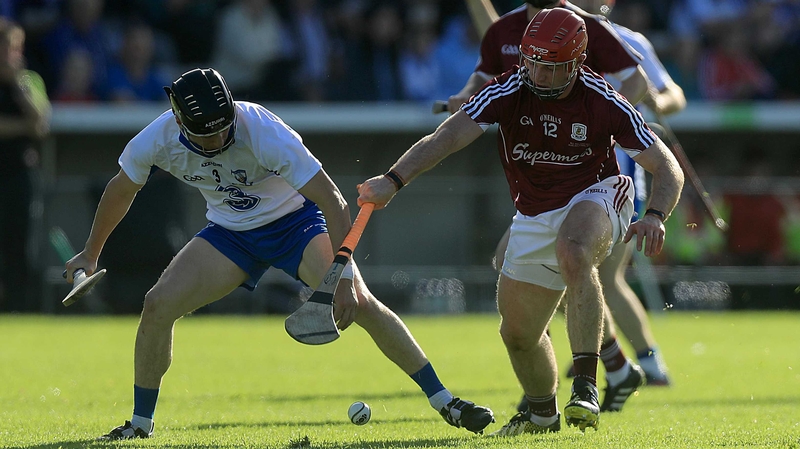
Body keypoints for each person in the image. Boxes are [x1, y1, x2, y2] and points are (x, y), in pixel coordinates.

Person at [63, 68, 494, 440]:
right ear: (179, 121)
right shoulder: (158, 137)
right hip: (230, 234)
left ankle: (445, 400)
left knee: (361, 303)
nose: (217, 138)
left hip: (296, 223)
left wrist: (340, 280)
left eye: (222, 127)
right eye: (205, 132)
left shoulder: (262, 130)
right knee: (157, 305)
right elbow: (122, 189)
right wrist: (90, 252)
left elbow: (332, 200)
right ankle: (140, 424)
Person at [357, 9, 683, 435]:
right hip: (534, 210)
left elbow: (666, 166)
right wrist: (392, 179)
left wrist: (656, 215)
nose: (538, 75)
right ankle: (542, 413)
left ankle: (586, 385)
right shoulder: (509, 88)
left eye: (551, 68)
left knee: (575, 250)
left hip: (599, 192)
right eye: (532, 63)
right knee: (518, 334)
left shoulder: (603, 98)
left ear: (576, 63)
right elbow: (446, 138)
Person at [455, 0, 656, 410]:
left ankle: (627, 366)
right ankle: (616, 365)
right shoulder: (503, 32)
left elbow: (639, 84)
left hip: (594, 182)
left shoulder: (585, 26)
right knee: (516, 267)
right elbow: (477, 86)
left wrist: (604, 118)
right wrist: (461, 100)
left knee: (586, 265)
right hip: (543, 192)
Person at [0, 17, 50, 312]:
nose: (9, 54)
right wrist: (23, 127)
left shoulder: (29, 80)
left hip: (20, 176)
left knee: (22, 247)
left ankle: (21, 309)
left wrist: (17, 87)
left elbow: (41, 124)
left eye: (13, 47)